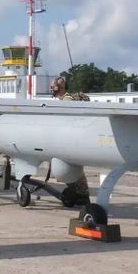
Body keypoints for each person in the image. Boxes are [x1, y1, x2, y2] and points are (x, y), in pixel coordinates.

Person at [49, 76, 91, 204]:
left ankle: (82, 195)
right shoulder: (65, 100)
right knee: (66, 169)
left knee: (67, 168)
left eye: (52, 87)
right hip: (71, 139)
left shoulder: (67, 101)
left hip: (70, 141)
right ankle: (79, 194)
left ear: (58, 87)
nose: (51, 89)